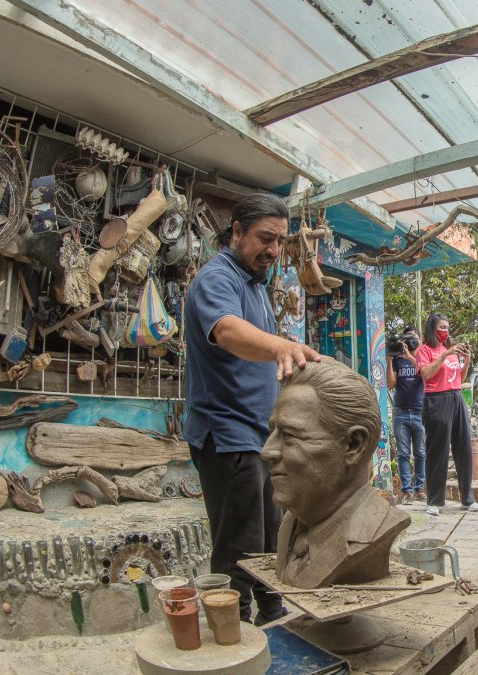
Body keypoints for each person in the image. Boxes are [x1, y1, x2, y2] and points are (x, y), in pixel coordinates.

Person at [183, 192, 322, 624]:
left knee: (269, 537)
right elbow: (226, 331)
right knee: (238, 548)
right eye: (265, 238)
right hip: (228, 437)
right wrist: (282, 344)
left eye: (279, 242)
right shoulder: (216, 279)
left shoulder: (256, 287)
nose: (273, 251)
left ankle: (273, 611)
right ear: (237, 232)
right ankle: (233, 632)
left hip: (260, 436)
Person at [261, 358, 410, 587]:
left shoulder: (369, 531)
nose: (267, 451)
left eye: (290, 435)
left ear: (353, 445)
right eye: (272, 432)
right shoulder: (292, 522)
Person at [416, 313, 478, 516]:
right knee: (438, 451)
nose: (446, 331)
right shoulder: (424, 350)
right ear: (432, 329)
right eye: (442, 327)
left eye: (448, 327)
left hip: (456, 397)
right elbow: (426, 374)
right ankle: (434, 501)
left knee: (464, 447)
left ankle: (467, 498)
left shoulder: (450, 351)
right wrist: (444, 355)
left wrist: (466, 360)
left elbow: (459, 378)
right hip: (436, 399)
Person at [386, 326, 426, 504]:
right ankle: (407, 491)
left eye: (413, 337)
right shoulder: (397, 359)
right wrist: (389, 359)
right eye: (407, 337)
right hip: (400, 411)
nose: (410, 341)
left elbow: (426, 376)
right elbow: (390, 384)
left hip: (420, 410)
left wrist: (411, 356)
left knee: (420, 453)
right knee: (403, 453)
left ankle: (420, 489)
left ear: (419, 339)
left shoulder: (423, 357)